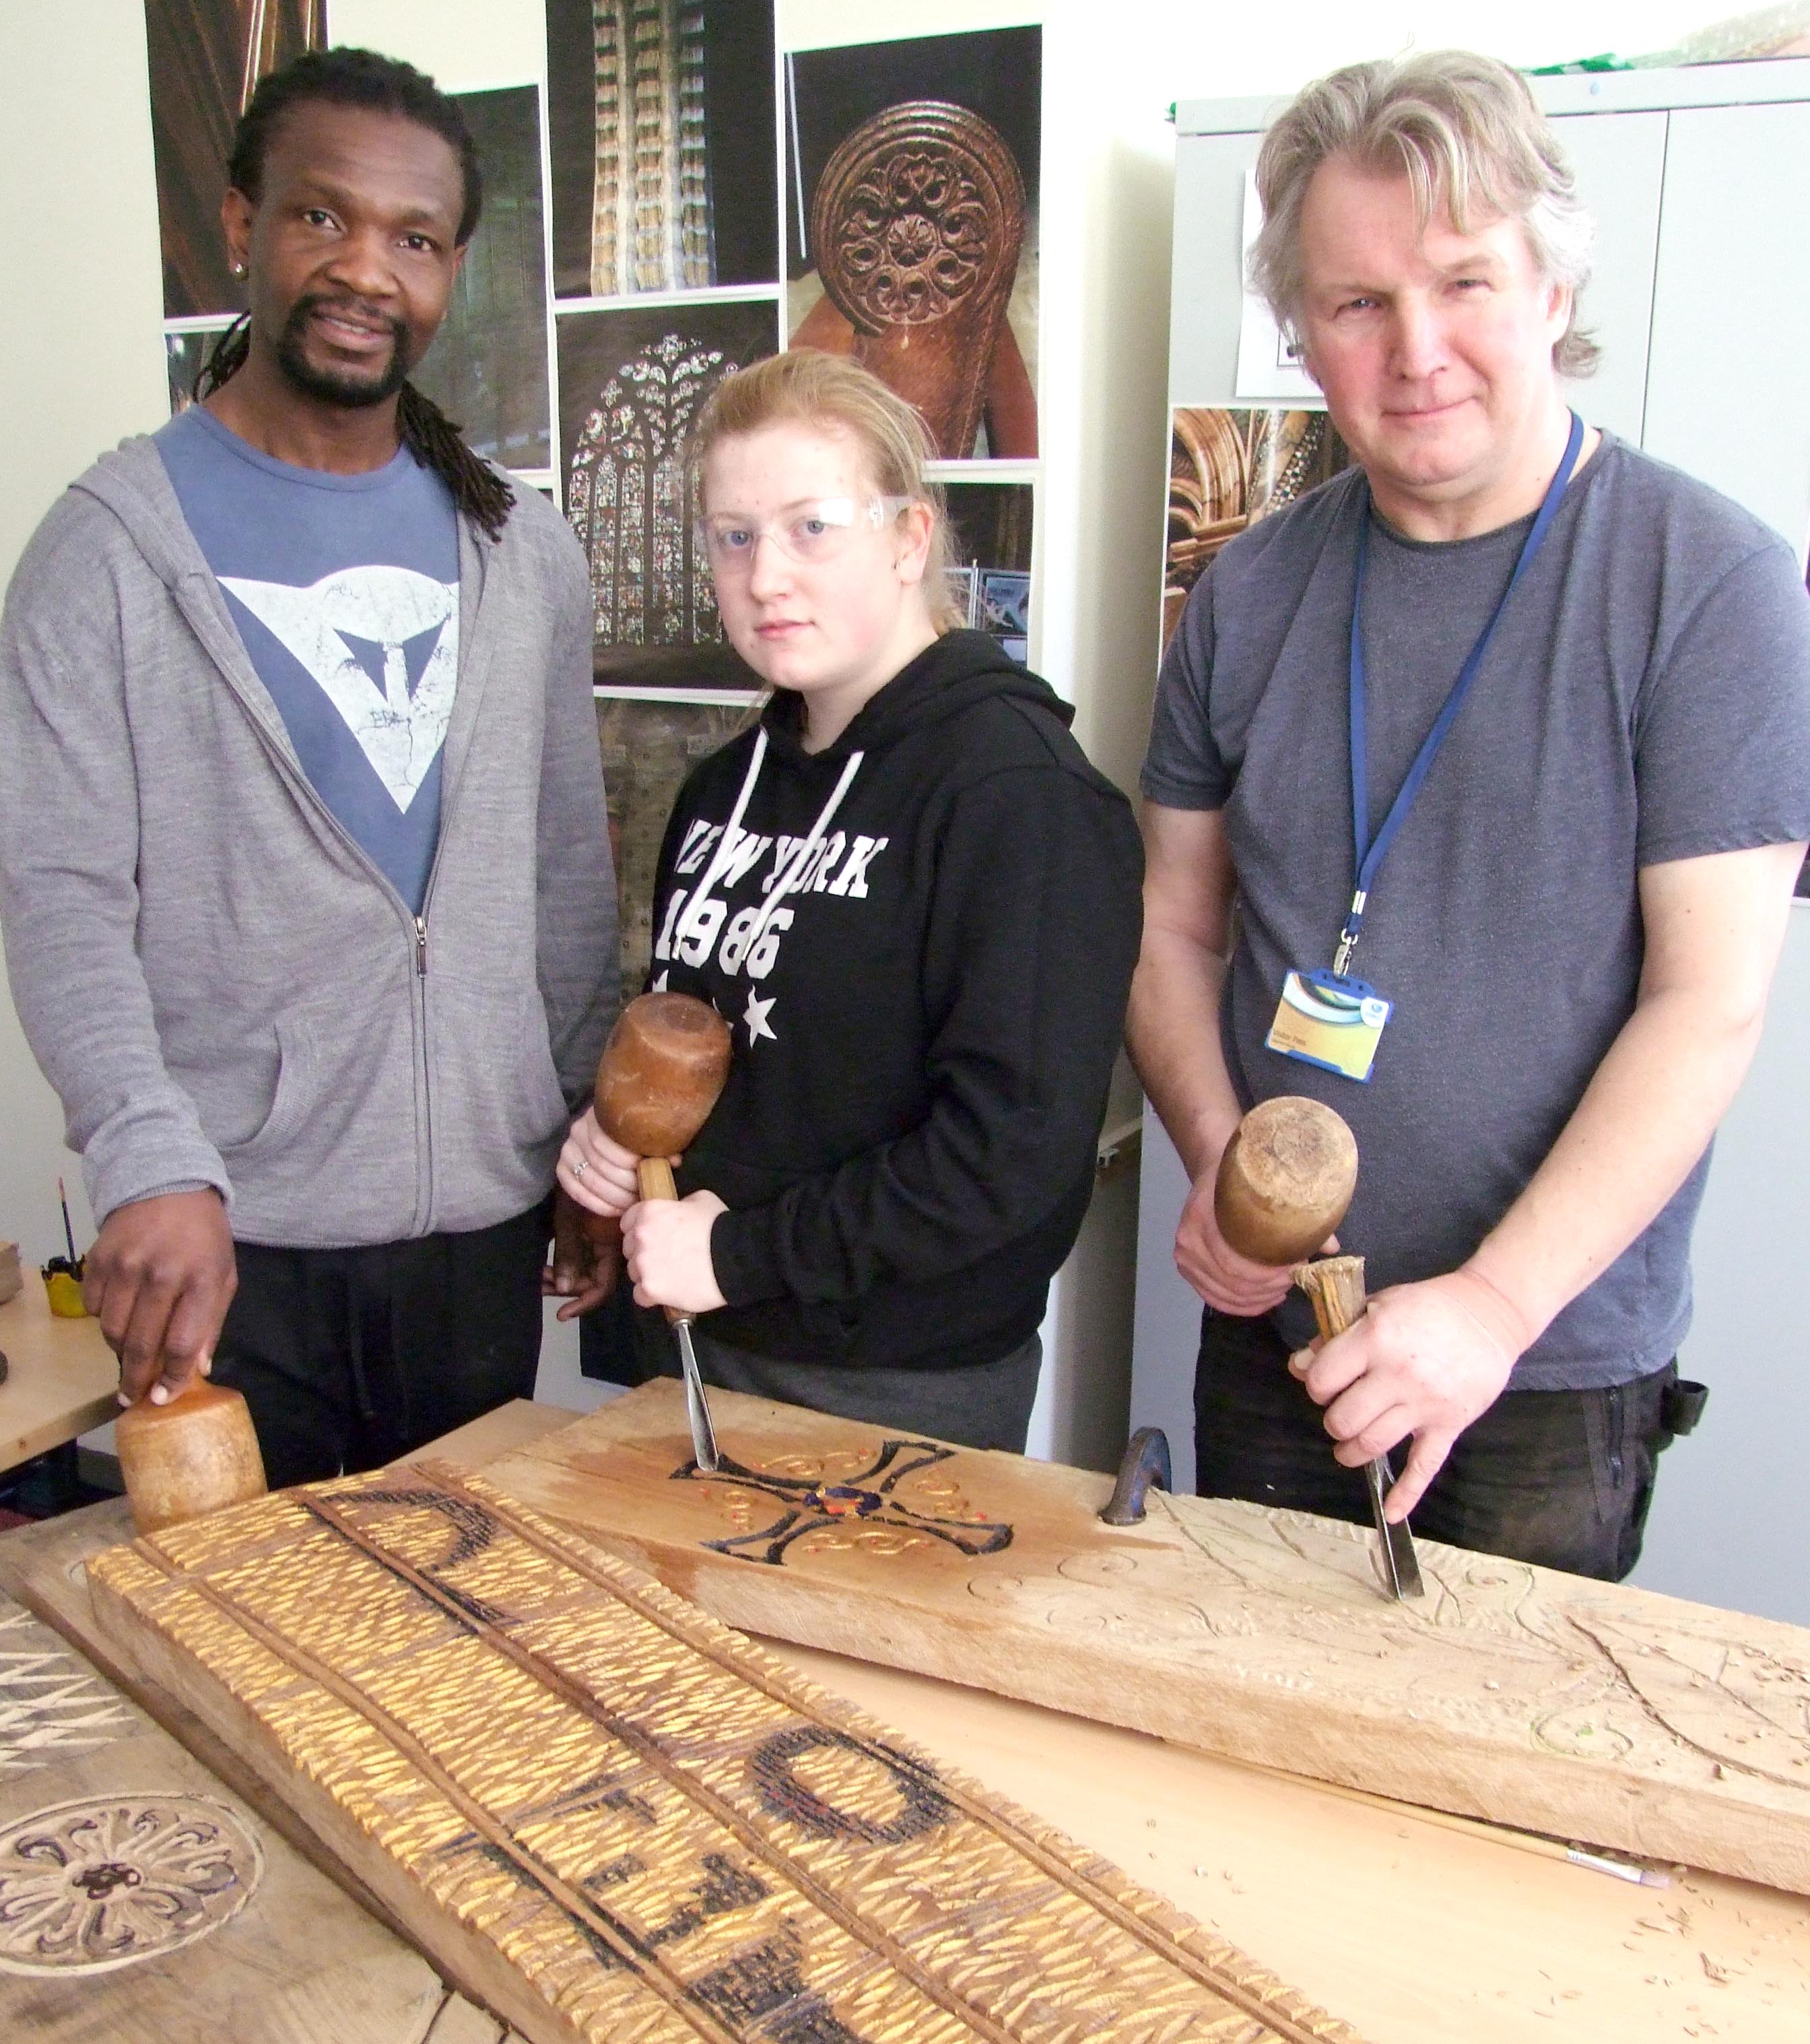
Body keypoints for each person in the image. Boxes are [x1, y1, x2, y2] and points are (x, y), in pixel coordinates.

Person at [1129, 50, 1810, 1579]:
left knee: (1477, 1797)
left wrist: (1496, 1306)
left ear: (1554, 290)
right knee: (1239, 1753)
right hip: (1271, 1320)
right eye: (1359, 303)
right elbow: (1172, 929)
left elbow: (1710, 1004)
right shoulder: (1247, 592)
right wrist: (1223, 1161)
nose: (1417, 348)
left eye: (1465, 281)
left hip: (1538, 1365)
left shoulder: (1710, 585)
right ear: (1302, 332)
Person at [0, 48, 617, 1487]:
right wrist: (148, 1156)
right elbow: (61, 892)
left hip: (479, 1233)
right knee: (249, 1674)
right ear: (239, 225)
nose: (365, 271)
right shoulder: (106, 553)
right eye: (319, 218)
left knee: (458, 1656)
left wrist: (579, 1121)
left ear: (452, 268)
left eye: (413, 239)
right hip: (228, 1235)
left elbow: (562, 877)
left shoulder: (520, 551)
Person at [557, 351, 1141, 1451]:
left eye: (811, 527)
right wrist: (615, 1137)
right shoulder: (719, 788)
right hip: (686, 1346)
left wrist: (738, 1257)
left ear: (908, 538)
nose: (767, 575)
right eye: (734, 536)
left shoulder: (1021, 796)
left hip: (890, 1388)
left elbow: (1007, 1157)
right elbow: (720, 1051)